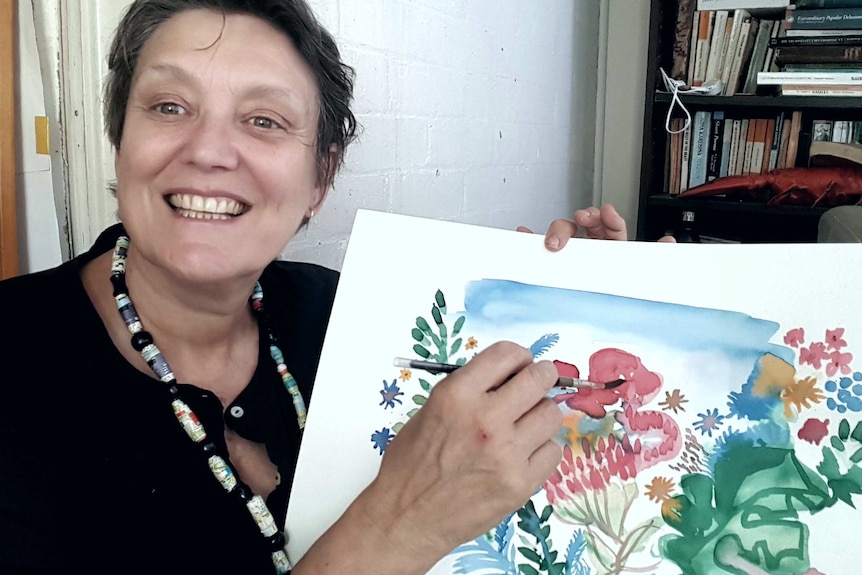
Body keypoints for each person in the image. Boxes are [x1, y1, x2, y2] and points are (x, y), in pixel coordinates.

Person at [0, 1, 644, 573]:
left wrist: (579, 305)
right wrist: (399, 527)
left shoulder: (345, 309)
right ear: (120, 139)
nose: (209, 151)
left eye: (264, 121)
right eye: (170, 107)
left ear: (320, 179)